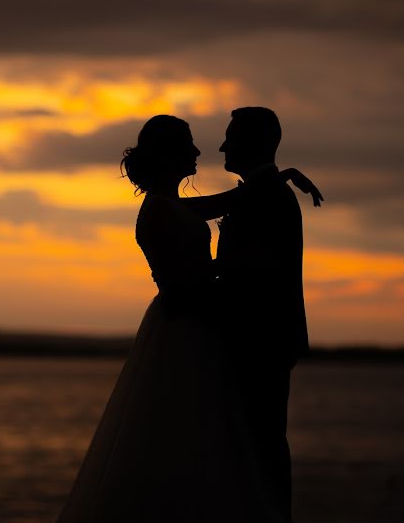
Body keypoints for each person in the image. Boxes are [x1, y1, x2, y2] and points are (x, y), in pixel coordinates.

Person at [56, 114, 321, 522]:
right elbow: (187, 289)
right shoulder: (160, 211)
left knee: (222, 441)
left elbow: (225, 204)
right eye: (189, 145)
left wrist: (279, 175)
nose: (201, 151)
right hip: (187, 329)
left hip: (202, 329)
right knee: (199, 440)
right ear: (167, 155)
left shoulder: (174, 206)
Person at [211, 106, 313, 522]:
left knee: (261, 445)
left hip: (259, 343)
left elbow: (256, 274)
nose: (221, 145)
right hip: (258, 342)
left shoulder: (267, 194)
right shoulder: (263, 190)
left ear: (252, 143)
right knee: (255, 446)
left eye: (230, 136)